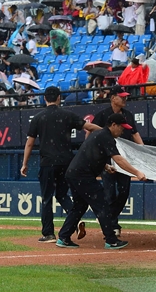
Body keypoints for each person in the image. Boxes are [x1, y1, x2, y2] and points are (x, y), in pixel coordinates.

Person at [20, 86, 101, 243]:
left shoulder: (38, 118)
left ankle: (48, 233)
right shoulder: (67, 115)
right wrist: (106, 133)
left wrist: (24, 163)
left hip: (48, 163)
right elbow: (89, 127)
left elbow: (30, 143)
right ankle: (75, 220)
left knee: (47, 198)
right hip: (67, 162)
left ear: (45, 98)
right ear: (59, 98)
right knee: (62, 195)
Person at [56, 113, 146, 250]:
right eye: (121, 127)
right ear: (114, 125)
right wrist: (137, 172)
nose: (122, 131)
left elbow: (91, 154)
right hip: (82, 175)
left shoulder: (99, 134)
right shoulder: (106, 137)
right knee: (102, 205)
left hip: (74, 173)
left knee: (79, 206)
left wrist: (105, 166)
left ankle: (64, 237)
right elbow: (119, 159)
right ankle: (111, 240)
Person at [90, 86, 144, 238]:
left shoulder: (128, 115)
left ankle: (108, 217)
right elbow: (90, 132)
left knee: (124, 192)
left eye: (125, 96)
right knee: (109, 193)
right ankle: (112, 225)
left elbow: (135, 133)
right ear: (113, 98)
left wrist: (144, 151)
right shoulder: (102, 115)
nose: (125, 99)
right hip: (107, 160)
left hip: (124, 160)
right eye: (122, 96)